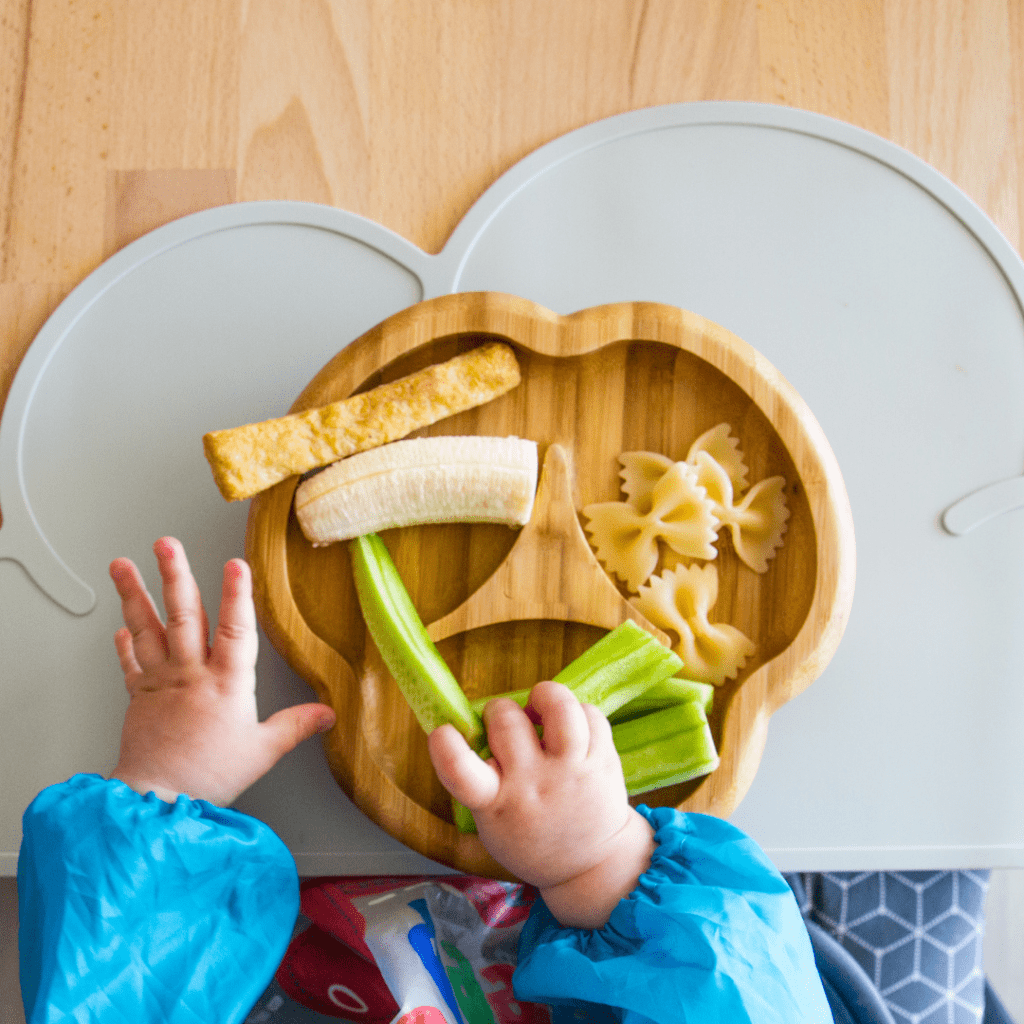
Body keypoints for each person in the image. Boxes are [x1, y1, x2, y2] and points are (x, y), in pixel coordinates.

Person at [17, 537, 832, 1023]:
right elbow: (739, 994)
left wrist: (167, 787)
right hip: (608, 925)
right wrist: (599, 859)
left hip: (239, 923)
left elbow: (113, 992)